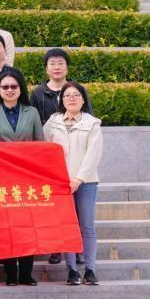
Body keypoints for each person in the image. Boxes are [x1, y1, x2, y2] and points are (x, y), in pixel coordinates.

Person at [0, 68, 44, 286]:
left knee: (27, 226)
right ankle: (10, 273)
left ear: (21, 89)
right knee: (7, 227)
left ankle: (26, 273)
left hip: (27, 177)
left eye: (14, 86)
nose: (9, 90)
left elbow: (40, 143)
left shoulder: (32, 112)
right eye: (5, 87)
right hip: (2, 178)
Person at [44, 82, 103, 286]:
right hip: (60, 182)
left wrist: (79, 178)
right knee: (67, 226)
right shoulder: (53, 122)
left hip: (86, 182)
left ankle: (90, 270)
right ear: (62, 99)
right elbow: (44, 148)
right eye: (67, 95)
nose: (71, 98)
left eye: (76, 95)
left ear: (83, 99)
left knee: (86, 226)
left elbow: (93, 155)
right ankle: (72, 270)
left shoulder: (92, 123)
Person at [30, 48, 94, 123]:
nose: (56, 67)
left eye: (60, 63)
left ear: (67, 68)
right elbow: (32, 122)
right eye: (52, 64)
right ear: (46, 69)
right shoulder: (37, 93)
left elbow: (89, 117)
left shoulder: (79, 90)